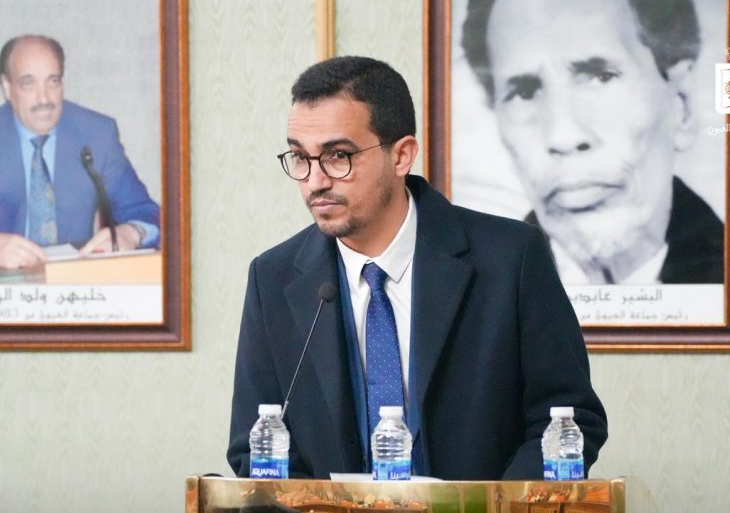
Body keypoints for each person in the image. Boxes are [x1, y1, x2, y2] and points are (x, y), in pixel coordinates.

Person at [227, 56, 606, 481]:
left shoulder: (509, 258)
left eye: (338, 156)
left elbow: (569, 419)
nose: (315, 182)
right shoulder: (273, 279)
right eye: (301, 157)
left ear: (401, 155)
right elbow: (252, 446)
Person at [461, 0, 724, 285]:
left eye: (602, 77)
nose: (563, 136)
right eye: (524, 93)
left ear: (681, 104)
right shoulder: (474, 291)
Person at [0, 35, 161, 269]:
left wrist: (131, 233)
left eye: (53, 81)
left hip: (75, 282)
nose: (44, 98)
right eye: (28, 83)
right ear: (7, 86)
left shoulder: (97, 136)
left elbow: (145, 212)